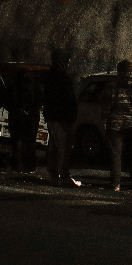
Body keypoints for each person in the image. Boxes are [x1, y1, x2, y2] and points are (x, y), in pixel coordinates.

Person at [42, 49, 80, 187]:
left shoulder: (50, 76)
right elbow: (67, 100)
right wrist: (70, 115)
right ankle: (62, 175)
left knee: (54, 147)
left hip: (54, 116)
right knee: (63, 147)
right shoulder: (62, 78)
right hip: (61, 118)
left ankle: (55, 175)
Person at [101, 60, 132, 192]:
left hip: (115, 124)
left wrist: (104, 122)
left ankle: (116, 183)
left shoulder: (112, 86)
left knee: (116, 155)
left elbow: (106, 107)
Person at [6, 65, 42, 173]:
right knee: (30, 142)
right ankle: (29, 166)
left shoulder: (14, 85)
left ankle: (16, 165)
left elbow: (7, 100)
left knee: (16, 141)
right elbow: (39, 102)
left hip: (16, 116)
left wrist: (14, 110)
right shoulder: (34, 86)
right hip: (31, 117)